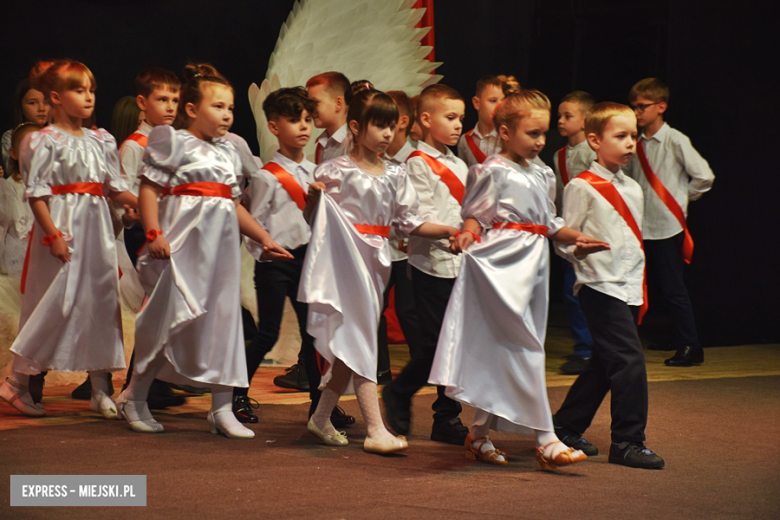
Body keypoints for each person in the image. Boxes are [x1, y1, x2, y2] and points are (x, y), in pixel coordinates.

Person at [430, 90, 607, 469]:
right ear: (506, 131)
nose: (541, 141)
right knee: (526, 347)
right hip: (498, 265)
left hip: (533, 265)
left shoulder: (544, 173)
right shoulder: (491, 169)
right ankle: (547, 439)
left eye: (544, 134)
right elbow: (475, 213)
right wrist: (467, 234)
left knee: (510, 347)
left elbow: (549, 224)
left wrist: (575, 238)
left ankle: (477, 434)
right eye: (532, 133)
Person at [116, 64, 292, 438]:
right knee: (169, 322)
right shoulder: (172, 142)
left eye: (230, 108)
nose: (227, 114)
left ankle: (222, 407)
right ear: (192, 109)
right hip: (182, 250)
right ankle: (135, 396)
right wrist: (153, 232)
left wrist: (264, 238)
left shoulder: (228, 151)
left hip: (220, 255)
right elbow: (149, 189)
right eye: (218, 106)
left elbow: (232, 204)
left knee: (223, 325)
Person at [301, 89, 458, 454]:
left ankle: (321, 418)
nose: (388, 134)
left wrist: (447, 230)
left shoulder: (395, 174)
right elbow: (315, 221)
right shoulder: (334, 171)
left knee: (350, 343)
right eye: (380, 126)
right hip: (343, 262)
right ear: (356, 126)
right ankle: (375, 427)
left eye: (392, 126)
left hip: (376, 262)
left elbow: (410, 222)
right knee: (360, 339)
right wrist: (312, 200)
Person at [0, 60, 138, 418]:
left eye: (91, 90)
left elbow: (116, 189)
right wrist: (54, 235)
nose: (89, 97)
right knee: (55, 305)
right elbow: (37, 194)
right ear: (56, 98)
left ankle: (99, 387)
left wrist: (144, 208)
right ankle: (15, 380)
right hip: (62, 232)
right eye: (79, 90)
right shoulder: (42, 141)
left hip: (97, 233)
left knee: (100, 303)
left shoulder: (101, 140)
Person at [233, 86, 353, 429]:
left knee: (313, 335)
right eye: (292, 120)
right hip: (274, 262)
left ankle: (320, 406)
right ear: (273, 127)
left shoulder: (318, 171)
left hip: (307, 262)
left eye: (306, 119)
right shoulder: (266, 176)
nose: (303, 127)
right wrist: (262, 250)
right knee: (268, 332)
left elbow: (319, 222)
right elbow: (250, 220)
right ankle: (236, 393)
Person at [553, 102, 665, 469]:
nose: (631, 142)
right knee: (629, 361)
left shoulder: (633, 187)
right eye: (621, 136)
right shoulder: (582, 186)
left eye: (633, 135)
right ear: (594, 141)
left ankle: (566, 426)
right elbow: (563, 238)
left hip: (629, 284)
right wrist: (577, 245)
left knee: (604, 362)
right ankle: (628, 442)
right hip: (599, 284)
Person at [382, 84, 470, 446]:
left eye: (462, 118)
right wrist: (451, 231)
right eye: (450, 118)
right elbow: (411, 222)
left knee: (457, 344)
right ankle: (399, 391)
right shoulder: (416, 165)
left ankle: (446, 417)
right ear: (424, 119)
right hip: (429, 266)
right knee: (435, 347)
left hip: (460, 266)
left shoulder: (460, 163)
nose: (458, 125)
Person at [627, 78, 714, 367]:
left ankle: (691, 345)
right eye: (634, 107)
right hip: (643, 226)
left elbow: (704, 176)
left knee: (674, 288)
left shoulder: (675, 140)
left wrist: (681, 200)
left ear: (660, 107)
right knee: (655, 287)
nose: (636, 112)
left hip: (667, 226)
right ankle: (675, 336)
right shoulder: (636, 143)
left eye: (642, 107)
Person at [376, 90, 422, 386]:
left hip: (410, 249)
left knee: (410, 310)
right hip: (380, 246)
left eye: (387, 122)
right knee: (374, 309)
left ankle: (423, 366)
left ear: (403, 122)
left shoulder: (417, 159)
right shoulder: (375, 158)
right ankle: (379, 369)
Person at [553, 91, 597, 375]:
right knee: (571, 292)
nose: (560, 121)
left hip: (589, 233)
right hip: (568, 231)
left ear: (585, 121)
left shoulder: (594, 154)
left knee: (586, 291)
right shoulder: (559, 155)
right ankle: (584, 347)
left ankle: (589, 349)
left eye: (567, 116)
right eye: (559, 115)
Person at [457, 75, 519, 166]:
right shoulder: (465, 141)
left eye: (503, 101)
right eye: (493, 101)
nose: (499, 106)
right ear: (477, 103)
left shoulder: (510, 137)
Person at [2, 78, 49, 179]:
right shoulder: (10, 137)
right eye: (32, 103)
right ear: (21, 106)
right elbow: (13, 174)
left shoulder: (58, 135)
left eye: (46, 102)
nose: (42, 108)